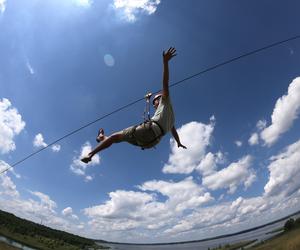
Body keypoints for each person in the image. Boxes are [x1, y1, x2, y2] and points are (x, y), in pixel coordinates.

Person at [81, 47, 186, 164]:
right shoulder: (170, 117)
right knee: (115, 139)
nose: (154, 103)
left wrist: (165, 63)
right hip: (150, 142)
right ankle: (101, 138)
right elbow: (174, 131)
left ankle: (90, 154)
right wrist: (178, 142)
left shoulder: (165, 101)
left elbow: (165, 83)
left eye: (155, 100)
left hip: (148, 131)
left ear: (160, 99)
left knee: (115, 138)